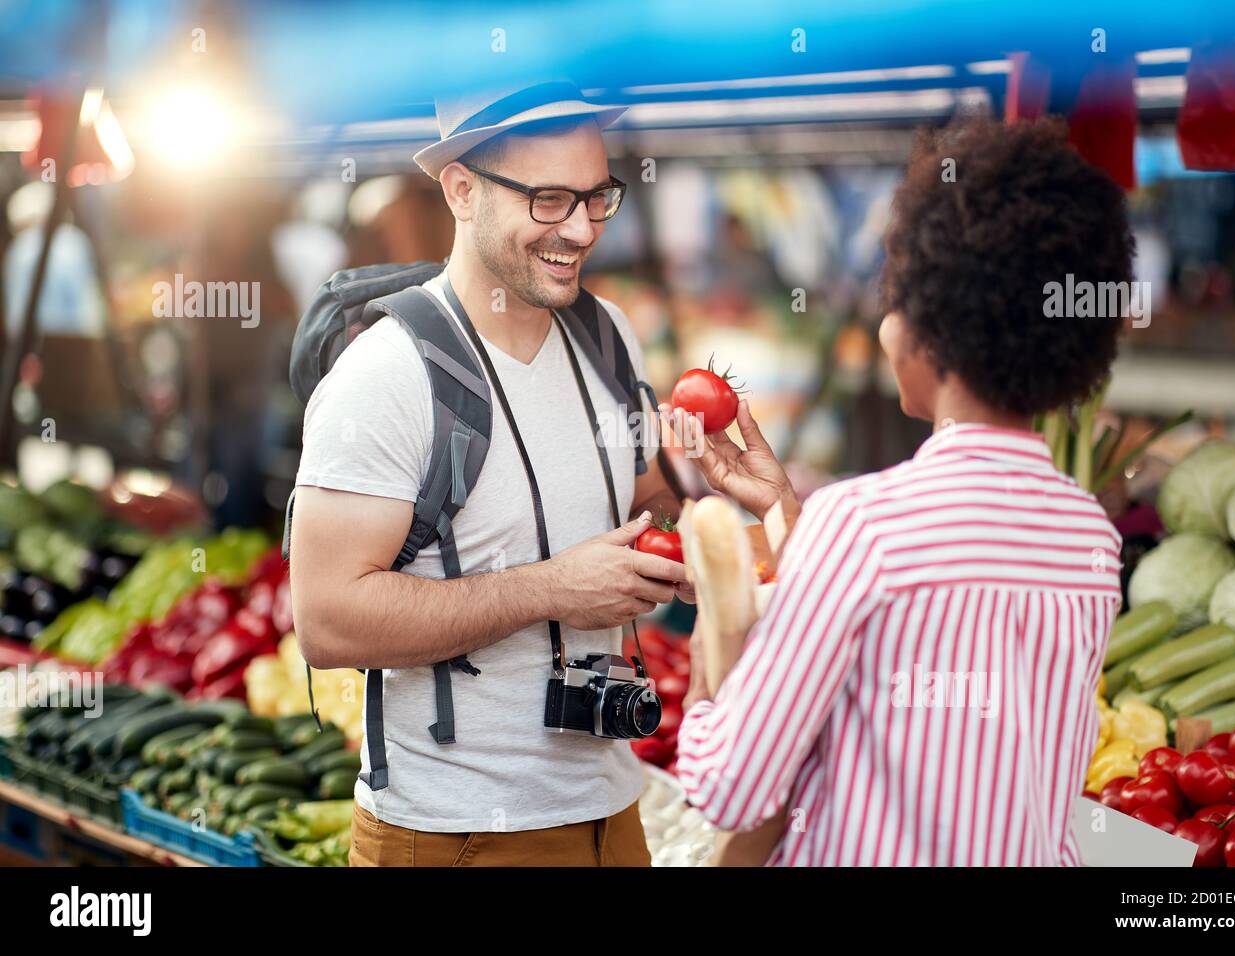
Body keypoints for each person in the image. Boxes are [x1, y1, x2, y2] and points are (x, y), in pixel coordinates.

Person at [669, 118, 1134, 866]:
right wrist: (786, 513)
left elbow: (730, 787)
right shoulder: (1089, 537)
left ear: (928, 326)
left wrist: (710, 667)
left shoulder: (859, 526)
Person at [290, 82, 707, 867]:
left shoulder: (608, 334)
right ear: (460, 188)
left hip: (616, 810)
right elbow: (326, 620)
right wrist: (549, 589)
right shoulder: (384, 375)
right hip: (459, 834)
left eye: (597, 197)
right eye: (549, 200)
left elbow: (647, 500)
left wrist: (695, 523)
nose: (581, 229)